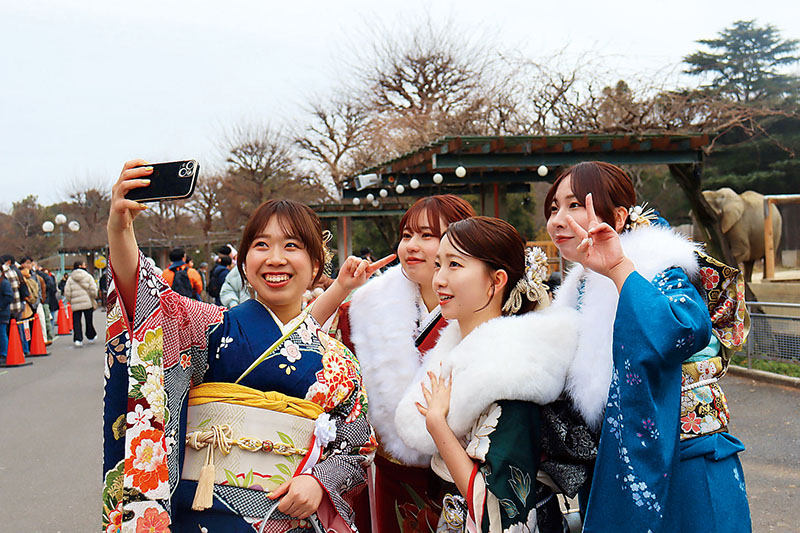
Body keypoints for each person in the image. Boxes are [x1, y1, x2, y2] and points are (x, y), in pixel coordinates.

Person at [102, 160, 375, 532]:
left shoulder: (338, 360)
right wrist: (120, 229)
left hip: (292, 518)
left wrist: (319, 481)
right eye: (261, 245)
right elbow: (145, 297)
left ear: (315, 266)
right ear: (245, 264)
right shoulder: (207, 326)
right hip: (204, 515)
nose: (275, 258)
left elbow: (357, 445)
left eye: (291, 246)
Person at [546, 161, 751, 532]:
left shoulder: (658, 267)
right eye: (553, 208)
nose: (558, 220)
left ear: (618, 216)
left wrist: (619, 268)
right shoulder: (577, 289)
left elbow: (684, 329)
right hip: (617, 459)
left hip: (685, 453)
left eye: (574, 205)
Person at [393, 217, 579, 531]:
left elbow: (500, 508)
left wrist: (437, 424)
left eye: (454, 265)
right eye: (438, 265)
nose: (439, 279)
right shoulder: (461, 355)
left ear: (496, 280)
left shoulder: (510, 374)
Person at [312, 195, 476, 532]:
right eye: (406, 235)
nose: (411, 246)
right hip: (386, 471)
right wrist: (342, 288)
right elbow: (310, 340)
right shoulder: (368, 305)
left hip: (461, 472)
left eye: (427, 235)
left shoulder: (481, 306)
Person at [63, 260, 98, 347]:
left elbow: (67, 292)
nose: (85, 266)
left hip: (75, 303)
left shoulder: (70, 278)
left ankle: (78, 339)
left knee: (76, 322)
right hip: (87, 302)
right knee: (89, 320)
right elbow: (93, 289)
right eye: (84, 265)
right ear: (80, 266)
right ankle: (90, 336)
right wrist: (93, 297)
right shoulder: (88, 276)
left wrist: (71, 300)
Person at [0, 269, 12, 363]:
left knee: (2, 333)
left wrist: (1, 306)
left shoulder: (4, 283)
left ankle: (4, 354)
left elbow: (9, 297)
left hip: (3, 313)